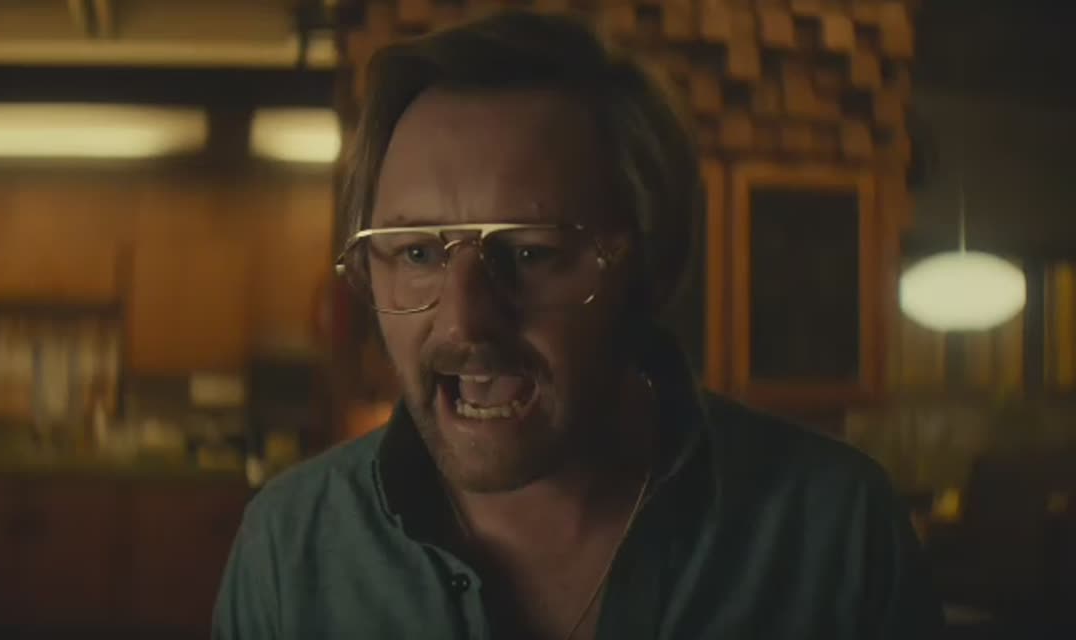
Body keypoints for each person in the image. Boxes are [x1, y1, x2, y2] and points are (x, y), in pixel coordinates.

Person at [214, 10, 943, 640]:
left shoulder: (835, 535)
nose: (465, 322)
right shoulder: (291, 550)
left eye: (531, 253)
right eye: (417, 253)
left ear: (646, 264)